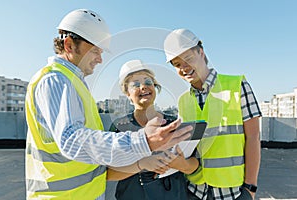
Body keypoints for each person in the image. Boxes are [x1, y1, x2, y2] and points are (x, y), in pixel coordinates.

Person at [24, 10, 192, 200]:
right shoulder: (55, 80)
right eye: (96, 50)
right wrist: (143, 142)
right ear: (69, 45)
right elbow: (71, 139)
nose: (100, 59)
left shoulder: (72, 83)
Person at [163, 29, 262, 200]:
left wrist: (250, 187)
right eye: (177, 64)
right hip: (195, 190)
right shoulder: (183, 100)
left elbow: (253, 137)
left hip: (233, 192)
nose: (184, 68)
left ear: (200, 53)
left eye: (188, 59)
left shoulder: (237, 86)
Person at [107, 59, 196, 200]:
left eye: (148, 82)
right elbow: (108, 174)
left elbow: (194, 165)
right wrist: (142, 165)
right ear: (127, 93)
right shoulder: (120, 127)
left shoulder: (173, 123)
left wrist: (181, 164)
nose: (143, 87)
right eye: (135, 84)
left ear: (155, 87)